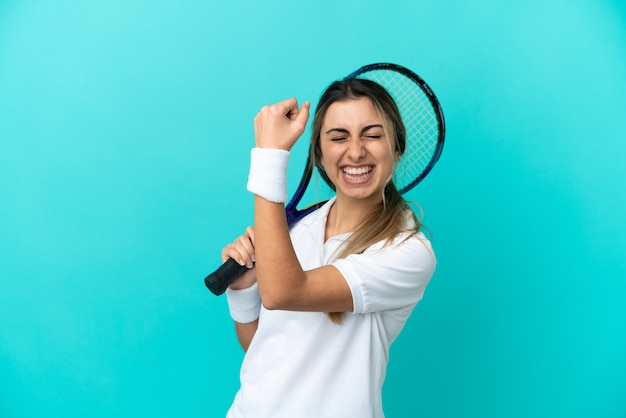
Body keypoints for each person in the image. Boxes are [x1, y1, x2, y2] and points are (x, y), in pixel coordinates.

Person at [221, 77, 436, 418]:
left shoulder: (408, 251)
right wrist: (243, 291)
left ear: (397, 148)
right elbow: (267, 351)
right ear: (320, 153)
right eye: (338, 137)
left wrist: (269, 158)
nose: (355, 151)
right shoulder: (293, 232)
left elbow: (284, 292)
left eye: (373, 134)